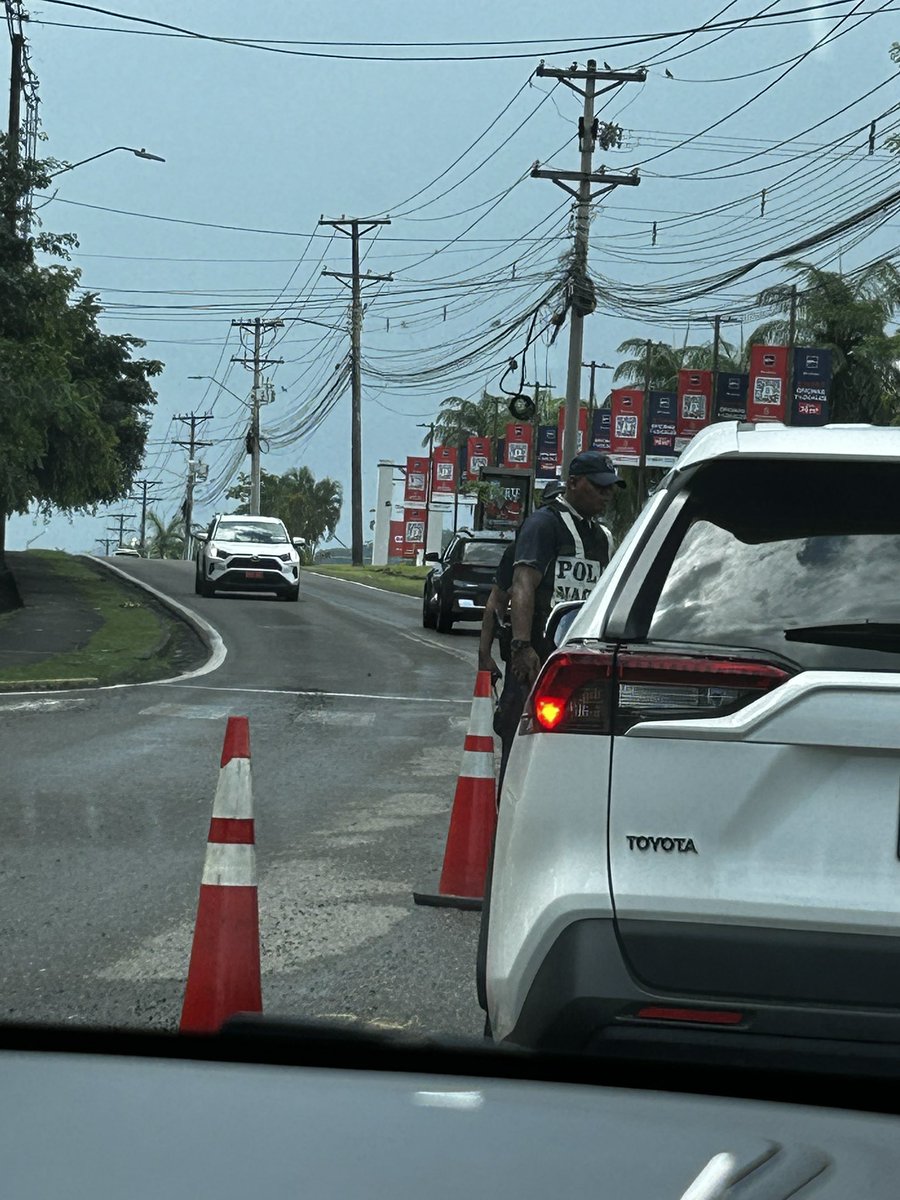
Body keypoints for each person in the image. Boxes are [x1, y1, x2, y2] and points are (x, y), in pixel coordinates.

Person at [494, 452, 623, 785]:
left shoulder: (603, 537)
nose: (606, 495)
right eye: (598, 487)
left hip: (583, 661)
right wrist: (521, 645)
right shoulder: (544, 524)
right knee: (521, 741)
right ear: (573, 484)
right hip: (538, 654)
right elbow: (523, 583)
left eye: (611, 489)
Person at [477, 480, 565, 686]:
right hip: (529, 652)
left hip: (569, 648)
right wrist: (484, 654)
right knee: (514, 710)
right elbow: (497, 600)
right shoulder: (520, 550)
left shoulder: (587, 544)